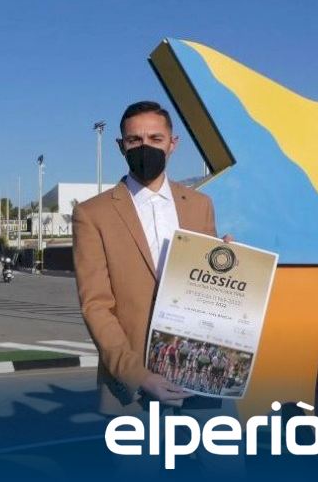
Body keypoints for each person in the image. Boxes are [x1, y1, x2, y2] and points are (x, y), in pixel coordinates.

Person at [74, 100, 224, 415]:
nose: (146, 148)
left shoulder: (200, 205)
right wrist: (138, 376)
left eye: (156, 139)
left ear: (172, 143)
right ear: (121, 146)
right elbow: (96, 306)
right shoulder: (92, 214)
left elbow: (208, 293)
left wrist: (230, 265)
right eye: (135, 140)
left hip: (197, 378)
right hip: (134, 390)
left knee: (218, 450)